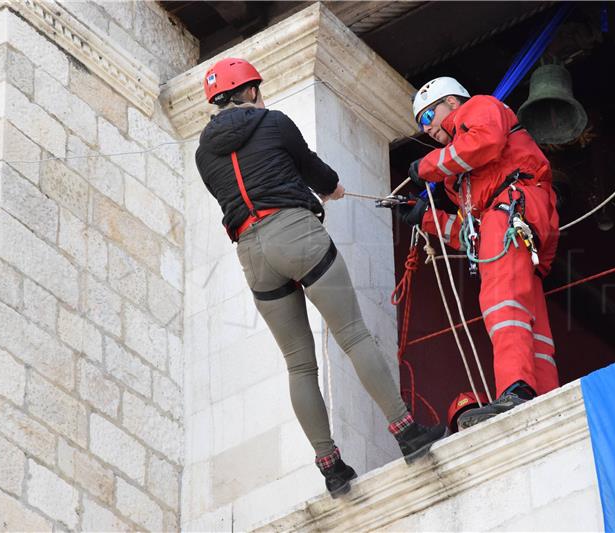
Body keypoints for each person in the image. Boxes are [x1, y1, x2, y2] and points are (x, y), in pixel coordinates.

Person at [195, 58, 446, 498]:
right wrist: (331, 188)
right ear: (250, 91)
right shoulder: (274, 123)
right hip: (295, 233)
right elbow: (315, 171)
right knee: (353, 336)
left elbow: (233, 191)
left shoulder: (202, 154)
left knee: (298, 364)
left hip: (252, 254)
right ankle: (407, 433)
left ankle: (331, 468)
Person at [398, 77, 560, 430]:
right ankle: (547, 396)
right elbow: (471, 236)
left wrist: (427, 167)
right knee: (527, 313)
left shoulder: (478, 108)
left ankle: (515, 389)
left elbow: (485, 142)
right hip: (509, 218)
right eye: (421, 124)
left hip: (514, 207)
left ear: (453, 104)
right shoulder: (462, 181)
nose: (428, 129)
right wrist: (425, 217)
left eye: (429, 116)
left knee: (502, 303)